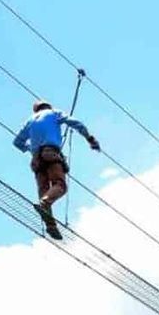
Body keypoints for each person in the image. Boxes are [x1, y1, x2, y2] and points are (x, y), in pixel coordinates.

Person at [13, 100, 100, 239]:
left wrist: (31, 149)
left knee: (44, 190)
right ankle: (44, 204)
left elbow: (17, 142)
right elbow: (76, 123)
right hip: (50, 153)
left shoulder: (29, 121)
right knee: (60, 186)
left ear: (36, 110)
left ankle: (51, 226)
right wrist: (89, 138)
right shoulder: (54, 113)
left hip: (36, 160)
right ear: (48, 106)